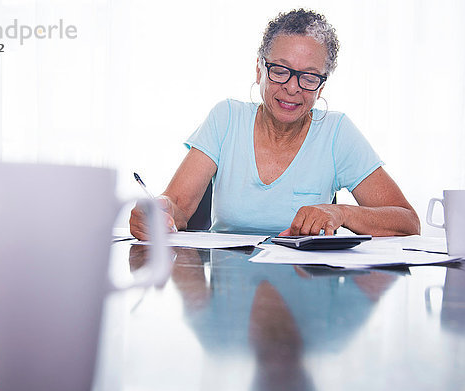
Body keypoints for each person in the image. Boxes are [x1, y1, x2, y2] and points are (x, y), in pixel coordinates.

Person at [130, 8, 420, 240]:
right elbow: (178, 207)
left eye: (309, 77)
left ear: (321, 87)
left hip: (305, 291)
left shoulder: (336, 132)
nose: (293, 88)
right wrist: (159, 212)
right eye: (280, 70)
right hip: (230, 295)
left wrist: (341, 213)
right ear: (260, 69)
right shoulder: (226, 118)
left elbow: (407, 221)